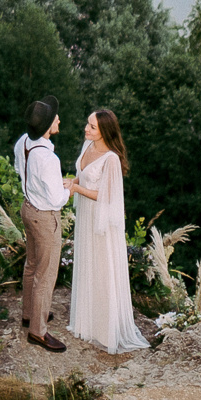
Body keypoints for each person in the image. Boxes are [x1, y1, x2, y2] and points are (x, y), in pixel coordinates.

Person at [65, 108, 150, 353]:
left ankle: (105, 329)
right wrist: (72, 182)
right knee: (88, 265)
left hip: (101, 222)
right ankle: (87, 323)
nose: (86, 129)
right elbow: (83, 176)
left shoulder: (111, 158)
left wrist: (76, 190)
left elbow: (107, 195)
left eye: (92, 127)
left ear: (104, 132)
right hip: (86, 217)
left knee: (102, 268)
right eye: (87, 124)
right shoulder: (87, 146)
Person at [14, 97, 68, 351]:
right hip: (45, 218)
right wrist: (70, 188)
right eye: (55, 117)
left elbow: (19, 170)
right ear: (47, 126)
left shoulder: (22, 143)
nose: (58, 119)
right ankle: (38, 331)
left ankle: (29, 314)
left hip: (27, 209)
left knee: (31, 264)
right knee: (46, 275)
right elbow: (57, 199)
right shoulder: (48, 159)